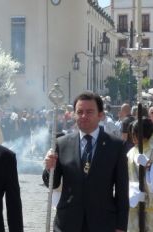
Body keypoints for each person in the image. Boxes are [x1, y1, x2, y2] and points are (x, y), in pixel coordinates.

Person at [43, 92, 129, 232]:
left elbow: (122, 191)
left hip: (102, 223)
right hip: (67, 223)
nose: (84, 116)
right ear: (73, 114)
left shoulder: (116, 146)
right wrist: (48, 168)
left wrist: (121, 226)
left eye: (89, 112)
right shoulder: (62, 143)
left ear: (100, 115)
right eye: (80, 112)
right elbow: (53, 182)